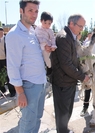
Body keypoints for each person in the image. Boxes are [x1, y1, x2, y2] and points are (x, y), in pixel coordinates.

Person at [5, 0, 49, 132]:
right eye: (30, 10)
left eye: (36, 11)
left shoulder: (32, 32)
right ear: (21, 11)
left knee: (37, 118)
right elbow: (12, 67)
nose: (34, 14)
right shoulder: (14, 34)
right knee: (28, 122)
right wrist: (20, 93)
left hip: (40, 83)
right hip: (29, 87)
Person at [50, 14, 90, 133]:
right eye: (80, 26)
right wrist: (82, 77)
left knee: (66, 111)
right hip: (63, 83)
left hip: (68, 81)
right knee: (63, 113)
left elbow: (73, 59)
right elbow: (66, 64)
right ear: (71, 24)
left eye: (83, 26)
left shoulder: (69, 37)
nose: (82, 29)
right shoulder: (64, 37)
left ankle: (64, 130)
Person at [35, 11, 57, 75]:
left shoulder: (50, 31)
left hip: (47, 45)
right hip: (39, 45)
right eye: (45, 23)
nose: (47, 25)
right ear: (41, 21)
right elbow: (35, 37)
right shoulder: (37, 28)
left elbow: (52, 38)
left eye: (49, 23)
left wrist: (53, 46)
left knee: (47, 56)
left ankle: (49, 67)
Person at [0, 27, 16, 97]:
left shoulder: (6, 39)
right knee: (1, 76)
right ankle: (2, 90)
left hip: (6, 60)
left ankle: (12, 91)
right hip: (0, 60)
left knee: (9, 76)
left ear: (3, 32)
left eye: (1, 32)